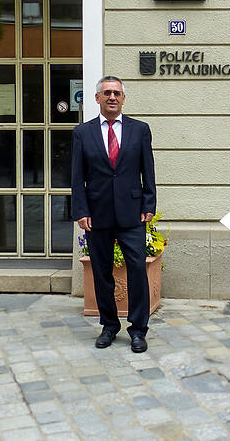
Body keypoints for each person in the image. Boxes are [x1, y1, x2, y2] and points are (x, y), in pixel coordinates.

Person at [71, 76, 156, 353]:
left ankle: (138, 330)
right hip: (97, 215)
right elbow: (77, 177)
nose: (112, 98)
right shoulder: (82, 133)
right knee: (102, 273)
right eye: (107, 93)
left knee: (137, 271)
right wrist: (81, 210)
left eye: (117, 93)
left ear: (123, 98)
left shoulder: (140, 130)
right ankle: (108, 326)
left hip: (133, 215)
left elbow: (148, 171)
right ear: (97, 98)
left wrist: (149, 205)